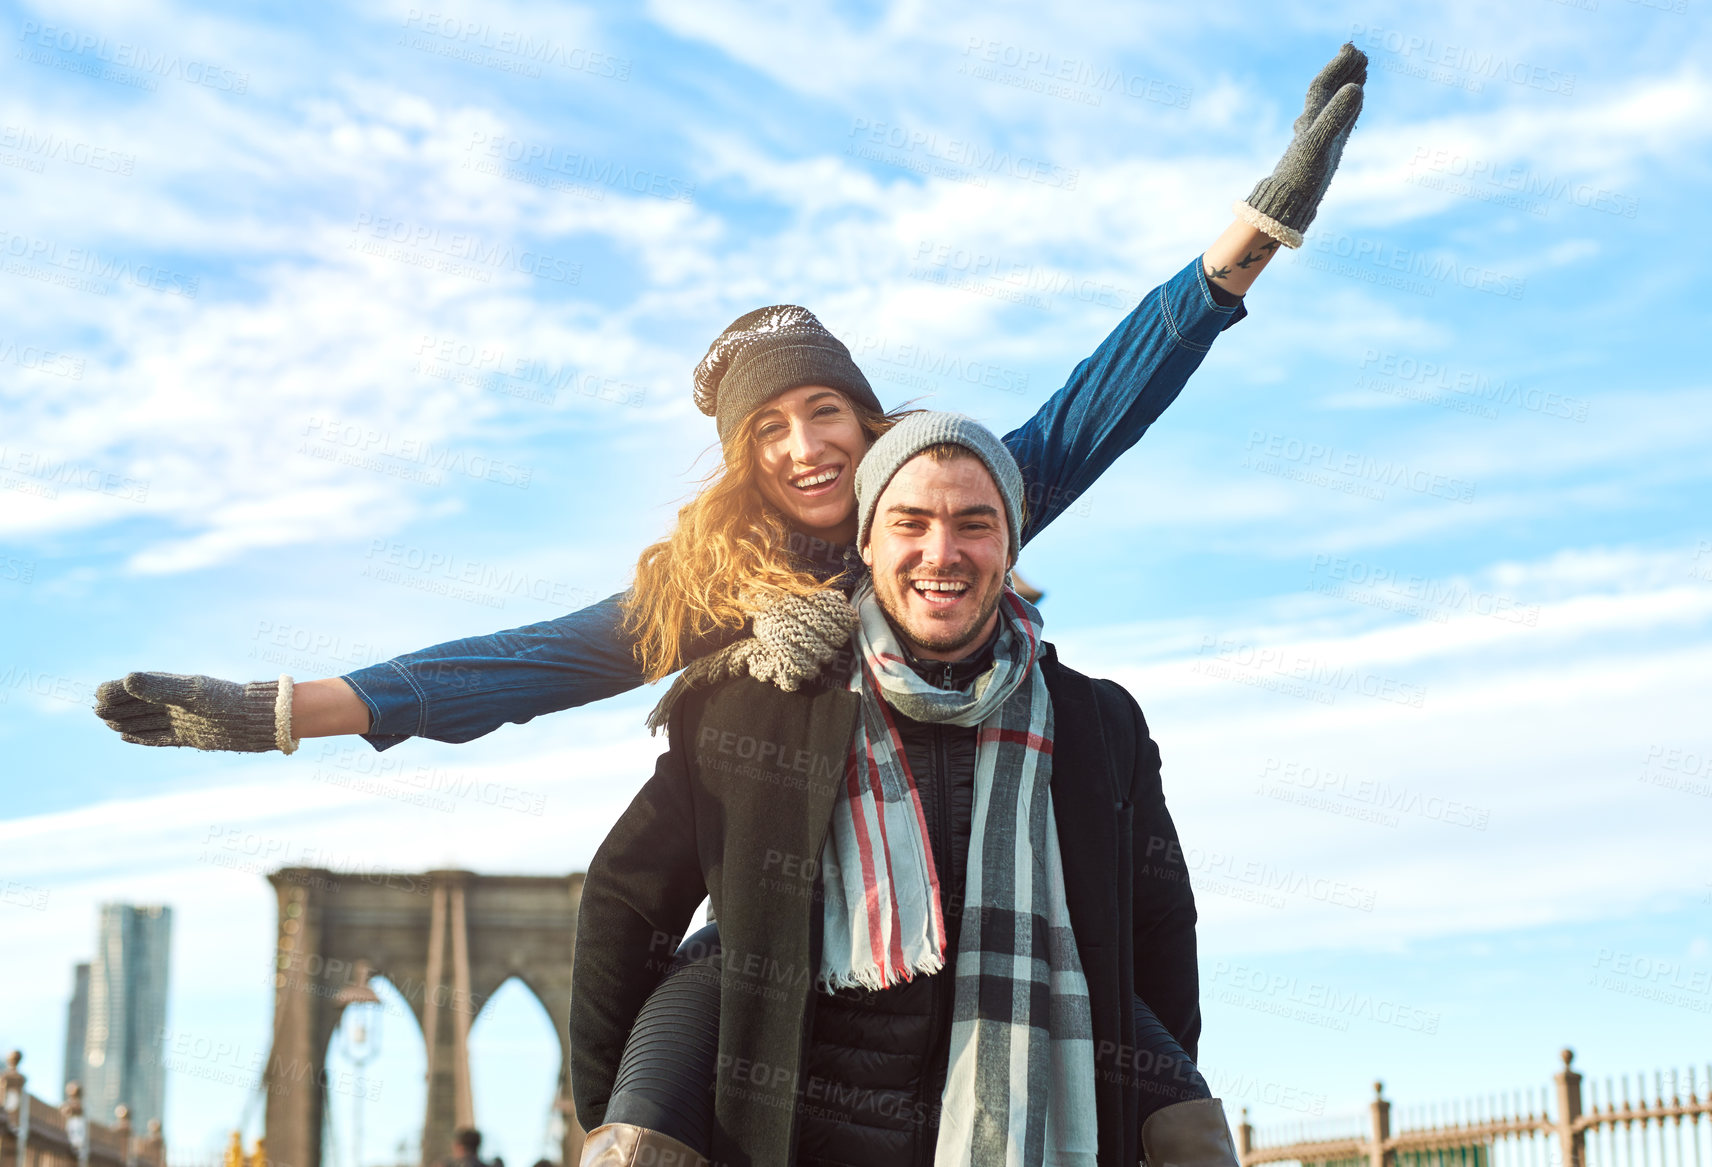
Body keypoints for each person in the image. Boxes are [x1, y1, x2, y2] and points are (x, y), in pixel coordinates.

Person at [89, 45, 1367, 758]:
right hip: (801, 877)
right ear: (740, 459)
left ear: (867, 423)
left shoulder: (942, 508)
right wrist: (282, 714)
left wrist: (1250, 237)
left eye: (824, 410)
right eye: (769, 429)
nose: (806, 445)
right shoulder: (706, 589)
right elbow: (516, 664)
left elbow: (1107, 394)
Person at [574, 414, 1232, 1167]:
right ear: (867, 542)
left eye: (973, 524)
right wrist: (607, 1111)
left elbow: (1158, 932)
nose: (941, 552)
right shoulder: (757, 704)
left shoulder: (1098, 724)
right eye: (910, 522)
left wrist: (1119, 1114)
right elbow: (625, 904)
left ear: (1010, 546)